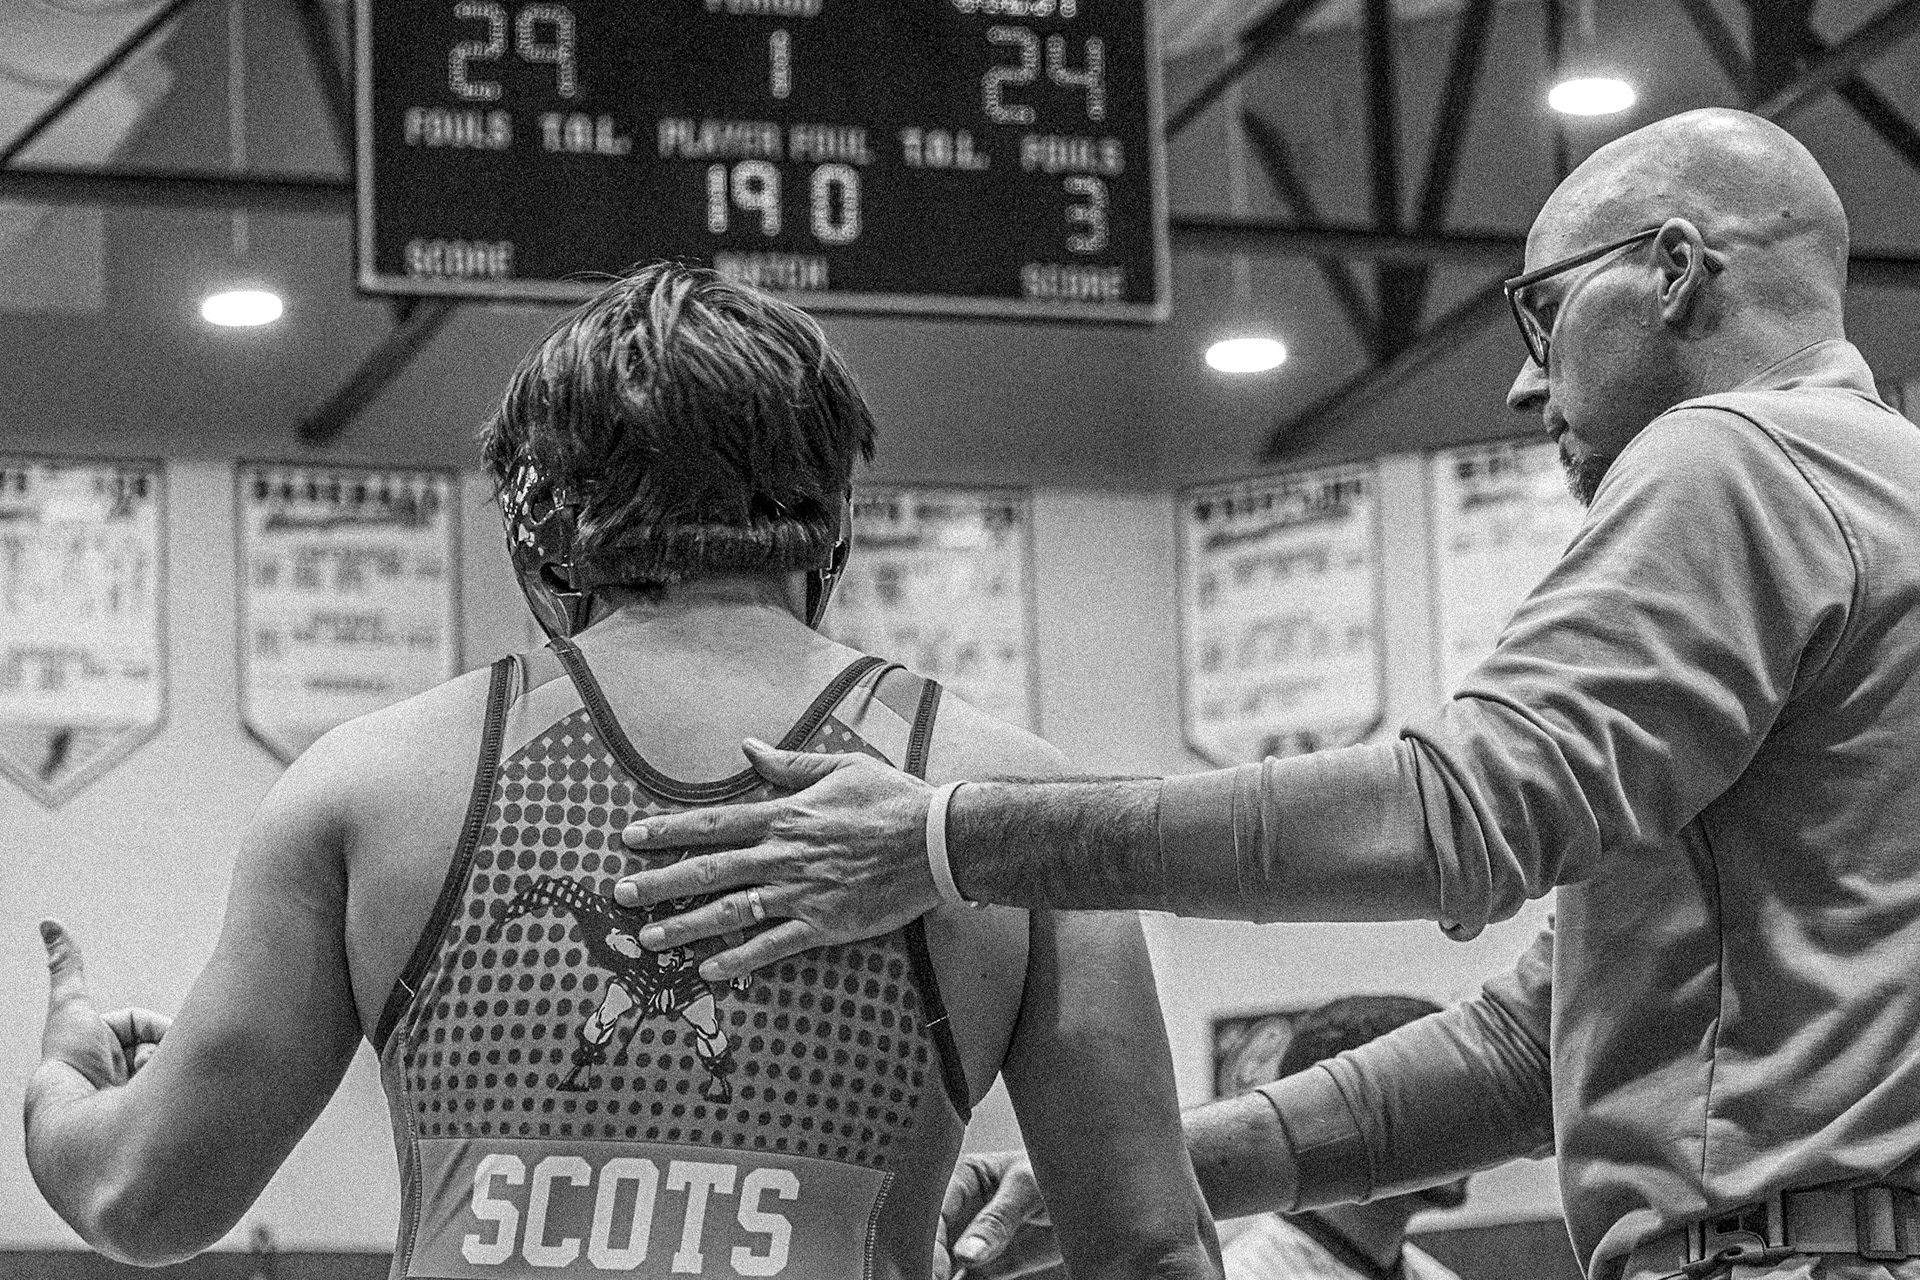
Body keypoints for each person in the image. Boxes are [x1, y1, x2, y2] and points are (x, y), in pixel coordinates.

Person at [609, 107, 1920, 1280]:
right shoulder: (1883, 493)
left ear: (1679, 272)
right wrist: (1135, 1173)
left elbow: (1452, 817)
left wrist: (949, 839)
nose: (1526, 380)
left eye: (1543, 311)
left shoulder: (1733, 457)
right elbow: (1531, 1054)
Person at [25, 264, 1220, 1280]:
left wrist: (62, 1087)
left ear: (539, 528)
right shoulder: (997, 801)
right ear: (834, 517)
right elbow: (1153, 1254)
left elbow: (141, 1195)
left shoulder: (373, 786)